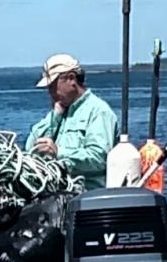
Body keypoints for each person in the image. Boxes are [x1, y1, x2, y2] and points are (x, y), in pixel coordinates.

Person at [25, 53, 118, 190]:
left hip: (86, 197)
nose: (50, 92)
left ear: (71, 79)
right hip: (56, 195)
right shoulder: (60, 110)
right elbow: (30, 147)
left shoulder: (99, 111)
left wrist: (59, 153)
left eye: (53, 86)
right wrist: (55, 116)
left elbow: (99, 157)